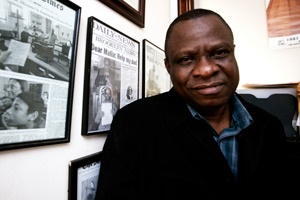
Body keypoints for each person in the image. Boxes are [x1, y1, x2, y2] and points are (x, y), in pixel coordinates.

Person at [96, 9, 288, 199]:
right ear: (169, 67)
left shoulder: (270, 127)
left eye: (220, 52)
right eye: (186, 59)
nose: (205, 70)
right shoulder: (134, 124)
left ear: (233, 53)